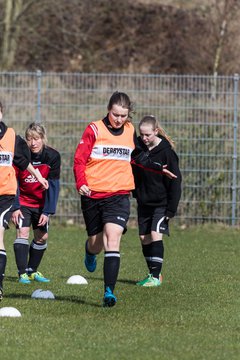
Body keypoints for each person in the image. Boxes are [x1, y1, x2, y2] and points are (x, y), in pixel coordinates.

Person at [73, 92, 176, 307]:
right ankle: (90, 251)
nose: (119, 119)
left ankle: (109, 292)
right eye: (115, 114)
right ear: (108, 110)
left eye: (123, 115)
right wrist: (80, 181)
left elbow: (139, 157)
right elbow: (79, 159)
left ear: (128, 115)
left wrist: (159, 169)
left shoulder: (130, 131)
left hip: (119, 195)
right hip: (92, 194)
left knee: (113, 238)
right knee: (96, 243)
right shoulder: (94, 129)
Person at [0, 102, 48, 301]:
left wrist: (38, 176)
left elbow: (22, 161)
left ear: (2, 113)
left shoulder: (12, 137)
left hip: (4, 195)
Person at [131, 115, 182, 287]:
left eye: (148, 135)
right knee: (144, 238)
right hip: (144, 202)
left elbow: (175, 181)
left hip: (162, 203)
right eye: (142, 134)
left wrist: (171, 209)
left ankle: (155, 277)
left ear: (156, 131)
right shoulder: (138, 147)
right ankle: (153, 273)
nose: (144, 138)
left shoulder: (167, 153)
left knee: (155, 234)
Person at [11, 122, 61, 285]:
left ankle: (32, 270)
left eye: (37, 138)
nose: (33, 143)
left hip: (41, 205)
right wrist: (16, 207)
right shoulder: (21, 157)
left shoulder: (52, 156)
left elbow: (53, 185)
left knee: (42, 237)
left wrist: (47, 212)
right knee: (23, 233)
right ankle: (22, 273)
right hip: (23, 202)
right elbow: (14, 183)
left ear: (43, 138)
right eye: (29, 139)